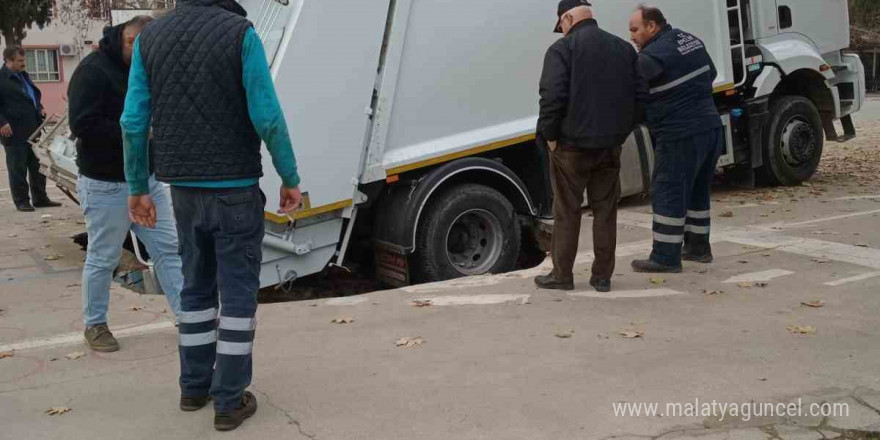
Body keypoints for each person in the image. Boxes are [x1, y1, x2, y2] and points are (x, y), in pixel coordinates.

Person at [121, 0, 303, 431]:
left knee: (196, 289)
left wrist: (137, 187)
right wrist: (290, 176)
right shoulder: (240, 34)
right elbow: (267, 116)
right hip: (235, 190)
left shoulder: (150, 38)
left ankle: (194, 387)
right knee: (237, 296)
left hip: (182, 190)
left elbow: (132, 121)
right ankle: (230, 399)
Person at [68, 17, 183, 353]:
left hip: (146, 183)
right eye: (136, 42)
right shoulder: (93, 71)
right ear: (122, 38)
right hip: (106, 184)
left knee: (169, 250)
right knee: (103, 258)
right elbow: (82, 124)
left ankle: (187, 317)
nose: (142, 49)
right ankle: (96, 325)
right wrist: (134, 132)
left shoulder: (150, 71)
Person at [533, 0, 640, 293]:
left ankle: (562, 276)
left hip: (570, 147)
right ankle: (602, 276)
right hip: (609, 146)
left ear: (567, 18)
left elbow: (551, 98)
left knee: (567, 211)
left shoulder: (561, 50)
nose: (562, 33)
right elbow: (639, 98)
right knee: (605, 211)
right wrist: (620, 133)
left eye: (561, 26)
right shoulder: (623, 48)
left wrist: (551, 136)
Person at [628, 5, 723, 273]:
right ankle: (698, 247)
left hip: (679, 133)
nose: (632, 37)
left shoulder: (653, 55)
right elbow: (711, 74)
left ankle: (665, 257)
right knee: (696, 191)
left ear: (652, 27)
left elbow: (631, 84)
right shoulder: (689, 40)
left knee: (668, 191)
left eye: (635, 30)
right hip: (710, 127)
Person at [0, 46, 61, 212]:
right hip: (13, 130)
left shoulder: (23, 76)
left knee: (37, 165)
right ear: (8, 60)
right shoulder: (2, 79)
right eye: (19, 61)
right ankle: (21, 201)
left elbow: (30, 96)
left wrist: (39, 107)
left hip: (34, 127)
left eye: (23, 60)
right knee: (17, 168)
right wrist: (2, 122)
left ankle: (40, 198)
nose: (23, 63)